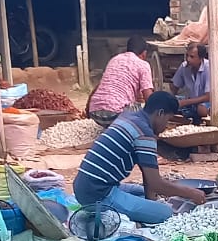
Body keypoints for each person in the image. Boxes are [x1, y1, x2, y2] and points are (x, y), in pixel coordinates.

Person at [71, 91, 205, 233]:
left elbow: (148, 174)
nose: (165, 126)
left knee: (144, 193)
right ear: (160, 113)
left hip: (85, 186)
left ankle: (138, 210)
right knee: (165, 213)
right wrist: (191, 193)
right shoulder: (144, 133)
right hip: (98, 194)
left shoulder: (130, 118)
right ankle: (103, 215)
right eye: (168, 119)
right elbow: (156, 183)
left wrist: (150, 201)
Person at [87, 35, 154, 117]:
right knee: (144, 108)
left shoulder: (114, 59)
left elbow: (100, 86)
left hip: (95, 113)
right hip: (116, 114)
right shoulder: (143, 65)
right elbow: (149, 100)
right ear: (144, 53)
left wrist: (88, 109)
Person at [169, 43, 218, 124]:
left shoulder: (209, 67)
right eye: (187, 55)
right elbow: (175, 86)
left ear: (201, 58)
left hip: (211, 101)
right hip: (193, 101)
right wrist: (171, 99)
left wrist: (185, 102)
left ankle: (204, 122)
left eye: (192, 57)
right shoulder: (184, 66)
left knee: (201, 109)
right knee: (170, 105)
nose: (188, 59)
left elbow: (208, 96)